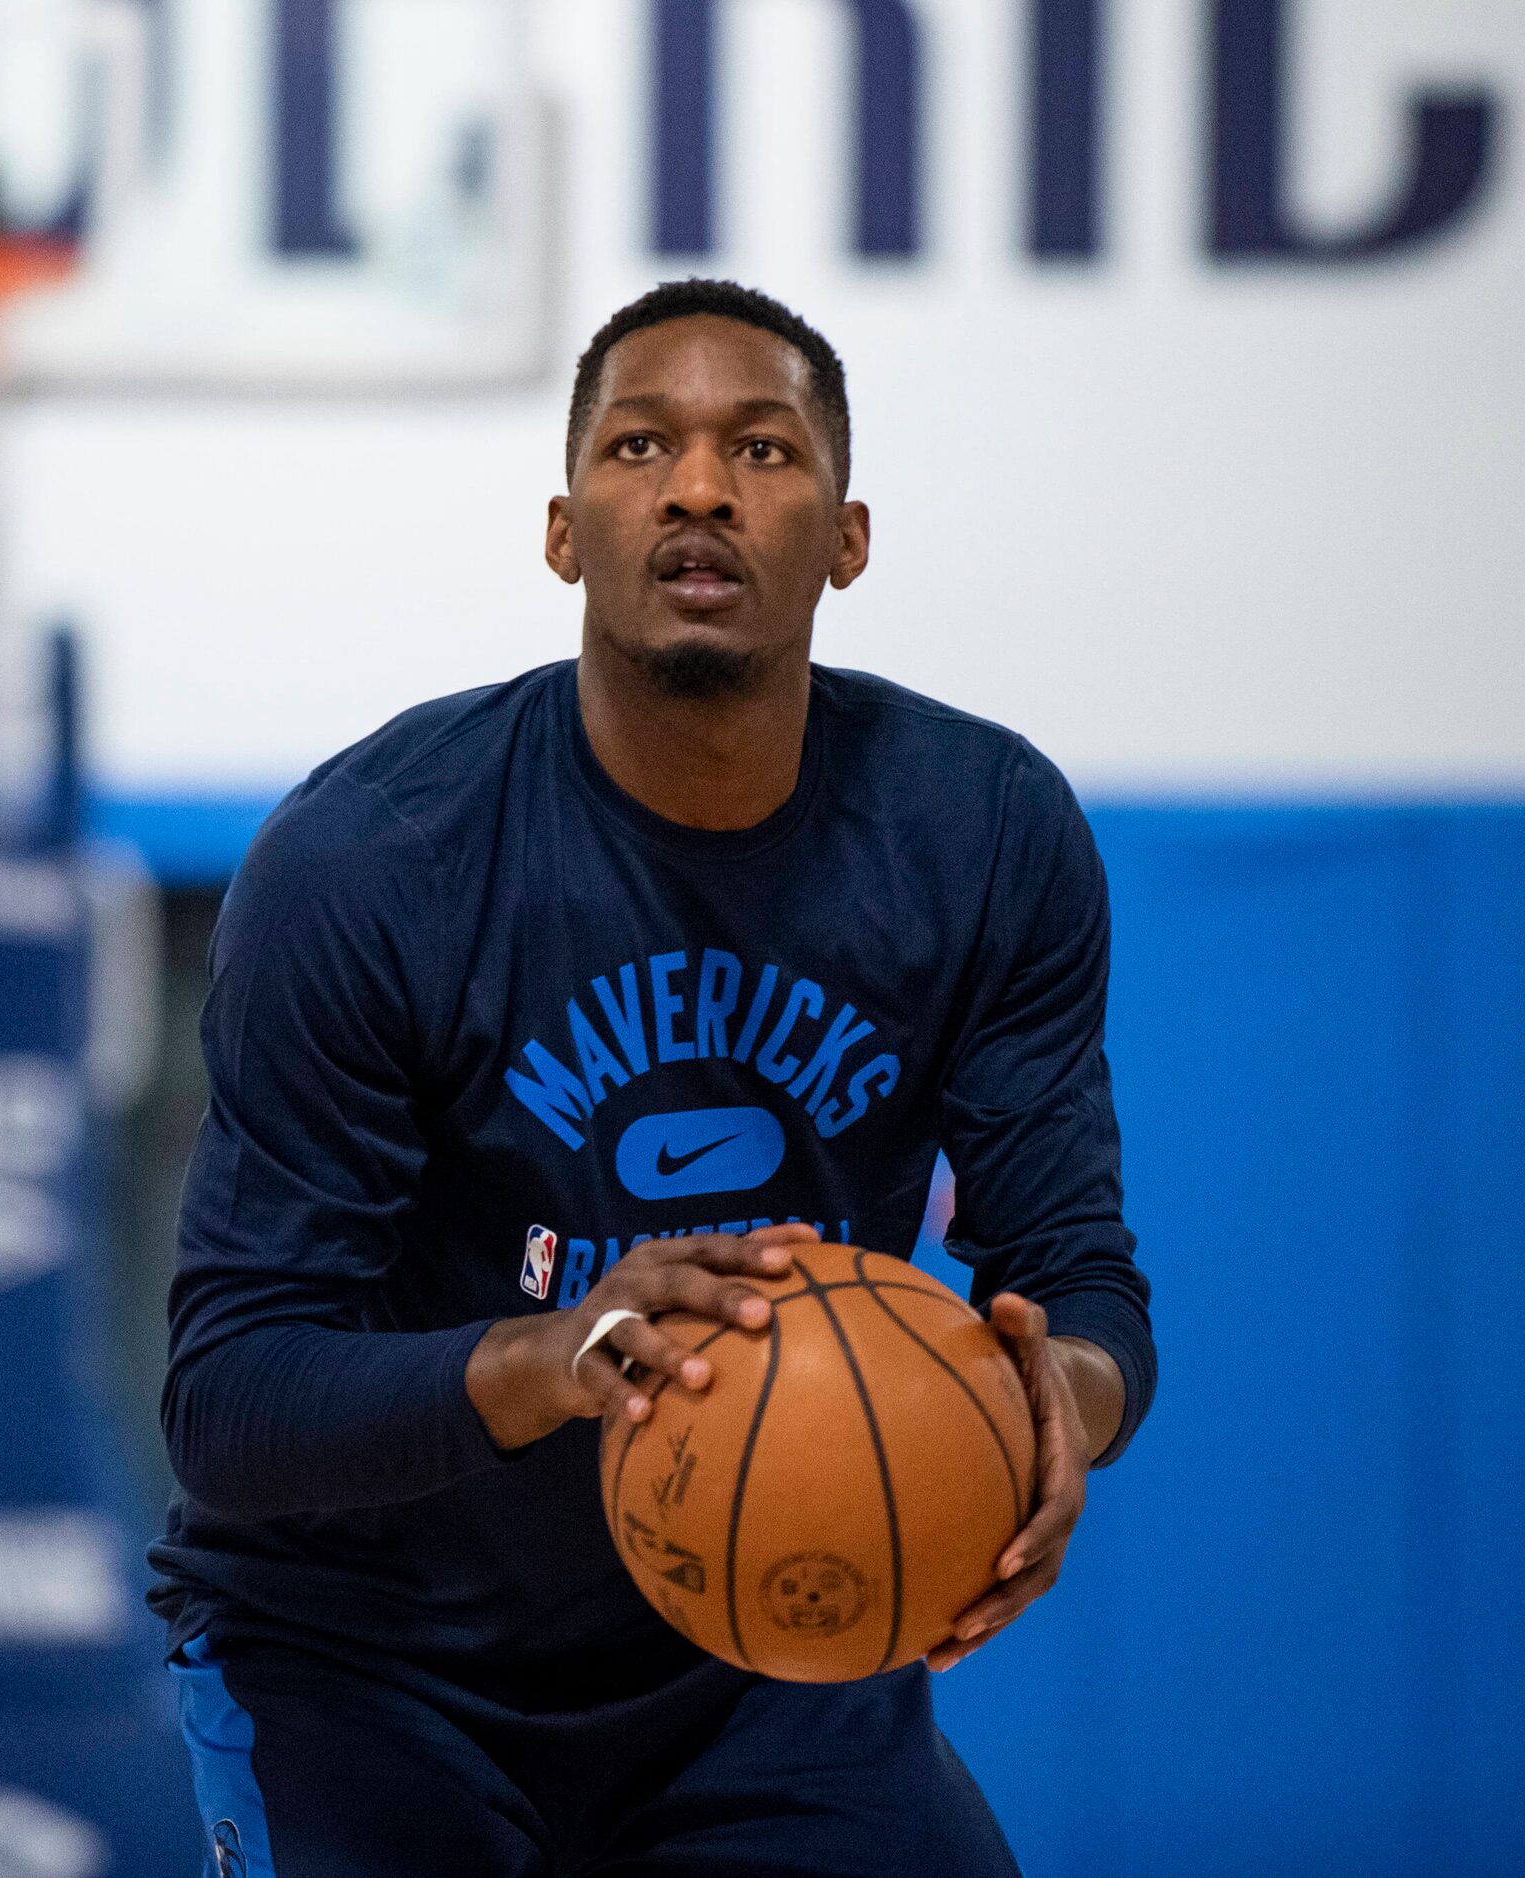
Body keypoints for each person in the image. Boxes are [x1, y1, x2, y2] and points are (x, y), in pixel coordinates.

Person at [152, 280, 1157, 1877]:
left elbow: (1080, 1287)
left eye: (761, 448)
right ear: (565, 532)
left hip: (756, 1647)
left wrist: (1050, 1411)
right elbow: (229, 1399)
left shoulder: (981, 835)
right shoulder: (367, 861)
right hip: (365, 1656)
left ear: (847, 536)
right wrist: (557, 1357)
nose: (698, 485)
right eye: (641, 446)